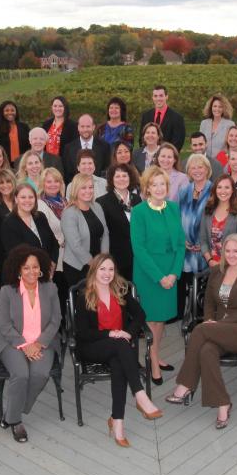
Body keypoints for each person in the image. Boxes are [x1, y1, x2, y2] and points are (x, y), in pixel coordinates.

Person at [164, 234, 237, 429]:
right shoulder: (217, 272)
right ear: (223, 252)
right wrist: (210, 319)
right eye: (228, 250)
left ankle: (185, 385)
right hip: (217, 329)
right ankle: (222, 404)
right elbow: (208, 302)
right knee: (207, 350)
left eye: (236, 251)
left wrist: (217, 323)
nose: (232, 255)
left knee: (200, 331)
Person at [73, 255, 163, 447]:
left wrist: (129, 333)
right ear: (94, 271)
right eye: (102, 269)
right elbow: (83, 333)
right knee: (120, 346)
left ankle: (117, 423)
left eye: (111, 269)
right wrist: (111, 334)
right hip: (92, 346)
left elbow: (140, 314)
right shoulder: (85, 297)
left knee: (119, 362)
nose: (107, 274)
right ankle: (140, 395)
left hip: (119, 348)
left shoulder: (120, 291)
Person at [0, 245, 63, 443]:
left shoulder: (50, 288)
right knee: (21, 374)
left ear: (41, 268)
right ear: (18, 269)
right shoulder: (7, 291)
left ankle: (12, 410)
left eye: (35, 267)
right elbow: (5, 326)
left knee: (40, 374)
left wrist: (40, 343)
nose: (31, 271)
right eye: (26, 268)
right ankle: (15, 421)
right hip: (13, 342)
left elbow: (56, 319)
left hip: (44, 342)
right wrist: (25, 345)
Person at [130, 166, 185, 384]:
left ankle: (156, 353)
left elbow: (181, 245)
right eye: (154, 184)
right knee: (151, 320)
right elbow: (139, 249)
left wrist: (173, 273)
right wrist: (160, 277)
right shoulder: (139, 212)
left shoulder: (173, 208)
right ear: (147, 188)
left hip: (170, 271)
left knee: (161, 320)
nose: (159, 188)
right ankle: (153, 361)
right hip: (149, 274)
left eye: (163, 184)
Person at [62, 174, 111, 297]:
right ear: (75, 189)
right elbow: (75, 245)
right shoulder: (69, 213)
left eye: (91, 187)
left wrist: (103, 258)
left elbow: (105, 233)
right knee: (85, 305)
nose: (88, 191)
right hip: (78, 267)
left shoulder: (97, 206)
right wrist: (95, 263)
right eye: (83, 188)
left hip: (98, 264)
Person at [177, 154, 214, 319]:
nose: (197, 170)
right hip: (186, 248)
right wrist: (181, 239)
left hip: (204, 247)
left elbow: (216, 220)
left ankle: (201, 317)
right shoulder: (184, 191)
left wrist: (206, 243)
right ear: (188, 171)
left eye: (201, 167)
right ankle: (188, 314)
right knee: (187, 282)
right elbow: (178, 217)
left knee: (203, 286)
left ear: (207, 170)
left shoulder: (214, 190)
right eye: (193, 167)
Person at [0, 183, 60, 271]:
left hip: (47, 272)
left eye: (31, 197)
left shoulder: (40, 217)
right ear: (16, 199)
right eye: (23, 197)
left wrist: (52, 263)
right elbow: (15, 255)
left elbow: (54, 243)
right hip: (24, 275)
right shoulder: (8, 222)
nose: (27, 200)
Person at [97, 164, 142, 281]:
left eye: (124, 176)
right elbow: (103, 232)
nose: (121, 179)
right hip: (116, 257)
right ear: (111, 179)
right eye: (117, 176)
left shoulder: (137, 199)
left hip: (138, 255)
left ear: (130, 178)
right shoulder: (102, 202)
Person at [200, 175, 237, 267]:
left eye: (227, 187)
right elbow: (203, 239)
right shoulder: (207, 210)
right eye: (219, 187)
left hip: (233, 264)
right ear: (215, 190)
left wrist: (225, 263)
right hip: (212, 265)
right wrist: (210, 260)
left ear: (233, 190)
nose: (223, 191)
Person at [62, 114, 110, 183]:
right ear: (78, 127)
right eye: (82, 126)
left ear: (93, 127)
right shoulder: (68, 148)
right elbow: (67, 174)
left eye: (88, 126)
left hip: (99, 189)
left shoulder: (105, 146)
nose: (85, 129)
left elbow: (106, 171)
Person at [140, 85, 186, 151]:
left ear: (166, 97)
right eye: (155, 96)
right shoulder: (146, 116)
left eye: (161, 96)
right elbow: (142, 138)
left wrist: (165, 156)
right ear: (152, 97)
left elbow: (178, 142)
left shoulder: (177, 118)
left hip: (167, 158)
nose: (158, 99)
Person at [0, 100, 31, 165]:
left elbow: (30, 145)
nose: (10, 113)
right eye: (7, 110)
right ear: (2, 112)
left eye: (12, 110)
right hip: (4, 164)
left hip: (23, 163)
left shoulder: (24, 127)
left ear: (16, 112)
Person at [199, 93, 235, 158]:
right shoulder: (204, 123)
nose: (217, 109)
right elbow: (200, 144)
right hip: (206, 161)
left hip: (222, 162)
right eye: (215, 106)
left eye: (220, 107)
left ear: (224, 108)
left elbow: (232, 146)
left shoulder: (230, 124)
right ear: (211, 107)